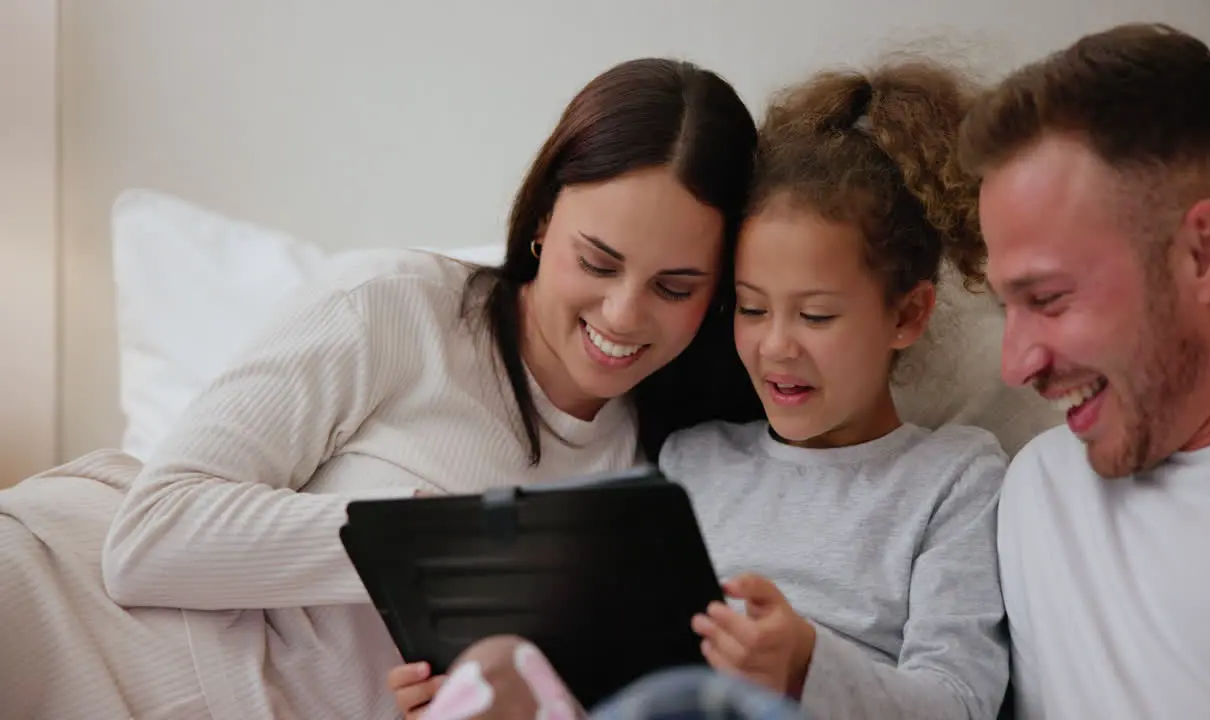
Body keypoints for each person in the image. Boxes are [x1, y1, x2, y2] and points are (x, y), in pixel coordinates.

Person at [0, 57, 760, 719]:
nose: (623, 313)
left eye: (675, 286)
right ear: (542, 220)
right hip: (72, 614)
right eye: (597, 262)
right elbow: (149, 537)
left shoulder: (671, 474)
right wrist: (422, 545)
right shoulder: (397, 306)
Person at [390, 57, 1011, 720]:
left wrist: (806, 665)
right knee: (497, 667)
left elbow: (962, 703)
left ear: (908, 314)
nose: (776, 345)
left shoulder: (955, 480)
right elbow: (608, 655)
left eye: (817, 315)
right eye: (750, 307)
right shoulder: (692, 458)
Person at [957, 22, 1210, 719]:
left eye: (1047, 299)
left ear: (1205, 253)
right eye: (1006, 307)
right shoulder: (1039, 494)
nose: (1015, 367)